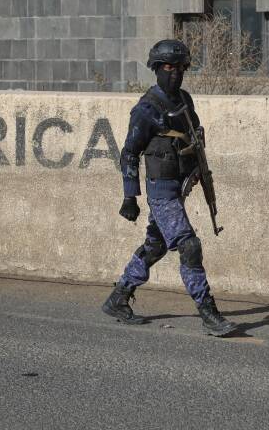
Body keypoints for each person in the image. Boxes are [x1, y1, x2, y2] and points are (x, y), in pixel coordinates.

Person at [101, 39, 238, 337]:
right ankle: (208, 313)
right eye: (167, 67)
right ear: (156, 69)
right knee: (189, 246)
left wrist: (198, 168)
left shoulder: (185, 101)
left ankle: (119, 297)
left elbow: (194, 138)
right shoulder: (146, 108)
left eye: (180, 68)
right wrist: (130, 196)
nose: (174, 73)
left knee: (156, 245)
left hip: (179, 184)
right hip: (160, 188)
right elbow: (129, 153)